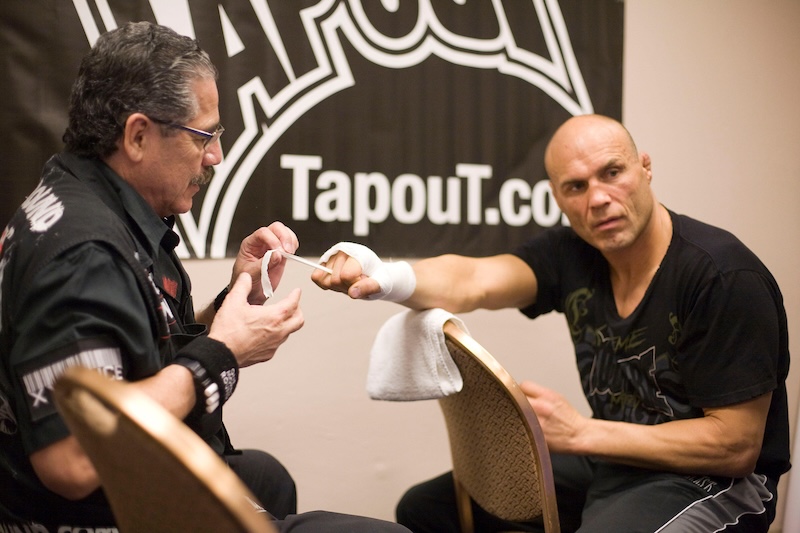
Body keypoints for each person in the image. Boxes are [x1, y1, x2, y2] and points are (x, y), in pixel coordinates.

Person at [0, 21, 410, 533]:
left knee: (264, 476)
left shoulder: (85, 199)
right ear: (138, 135)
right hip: (107, 514)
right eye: (204, 136)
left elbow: (124, 352)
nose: (215, 154)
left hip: (134, 487)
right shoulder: (82, 254)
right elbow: (73, 461)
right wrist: (223, 353)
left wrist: (230, 305)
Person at [311, 114, 791, 532]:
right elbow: (475, 278)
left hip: (719, 483)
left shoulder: (724, 277)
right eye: (576, 187)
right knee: (426, 510)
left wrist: (582, 433)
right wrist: (382, 274)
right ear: (558, 197)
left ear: (645, 168)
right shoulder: (575, 252)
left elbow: (735, 446)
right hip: (621, 456)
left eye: (612, 173)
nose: (598, 199)